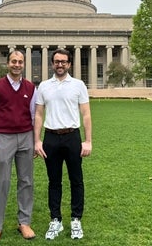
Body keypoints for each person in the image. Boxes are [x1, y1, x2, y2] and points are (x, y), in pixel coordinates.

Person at [34, 48, 92, 240]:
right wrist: (37, 140)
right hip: (51, 138)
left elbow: (86, 114)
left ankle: (76, 219)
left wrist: (88, 141)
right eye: (57, 61)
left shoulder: (78, 85)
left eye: (64, 61)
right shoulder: (43, 86)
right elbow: (39, 114)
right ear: (52, 64)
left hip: (72, 136)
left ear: (69, 64)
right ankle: (55, 220)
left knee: (76, 180)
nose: (60, 64)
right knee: (54, 182)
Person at [0, 50, 37, 244]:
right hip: (3, 138)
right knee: (2, 182)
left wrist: (35, 140)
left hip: (25, 137)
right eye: (14, 61)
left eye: (20, 62)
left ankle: (24, 222)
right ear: (8, 63)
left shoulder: (31, 88)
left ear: (24, 64)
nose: (17, 64)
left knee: (27, 181)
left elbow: (33, 116)